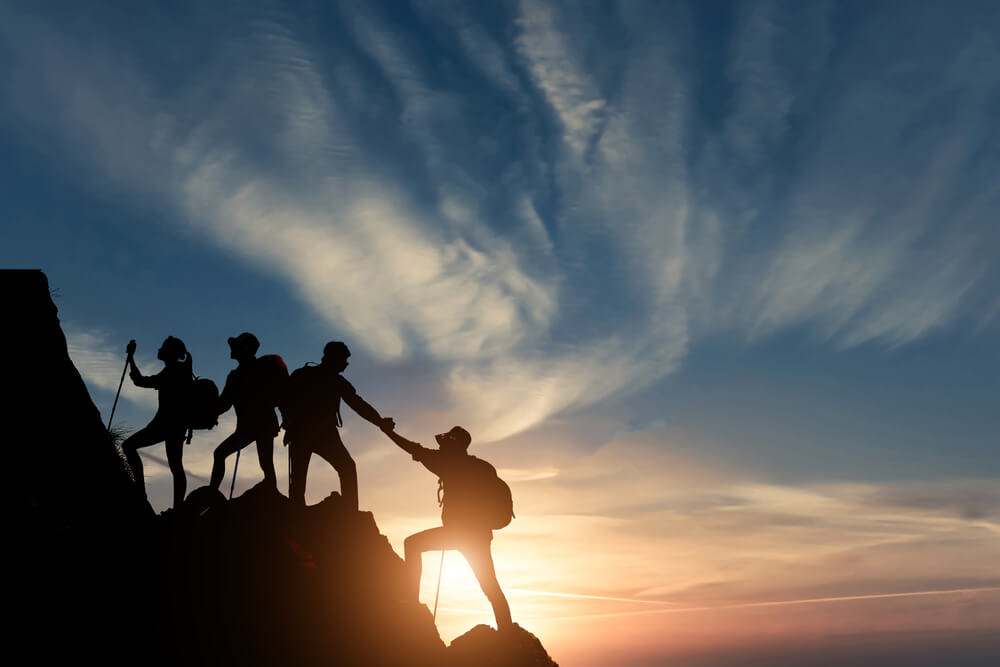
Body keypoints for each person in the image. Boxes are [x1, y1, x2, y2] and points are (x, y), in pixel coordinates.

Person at [381, 425, 513, 631]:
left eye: (446, 444)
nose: (441, 448)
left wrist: (387, 431)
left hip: (457, 533)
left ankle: (410, 602)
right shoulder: (482, 467)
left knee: (412, 544)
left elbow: (413, 449)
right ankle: (508, 632)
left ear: (453, 446)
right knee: (490, 587)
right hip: (479, 536)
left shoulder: (448, 463)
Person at [281, 341, 393, 511]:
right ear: (332, 358)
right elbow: (284, 399)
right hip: (309, 434)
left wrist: (379, 421)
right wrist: (288, 421)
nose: (346, 365)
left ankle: (348, 513)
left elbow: (358, 404)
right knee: (338, 469)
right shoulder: (312, 377)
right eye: (344, 361)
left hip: (314, 434)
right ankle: (348, 513)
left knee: (342, 468)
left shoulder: (325, 379)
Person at [120, 336, 193, 509]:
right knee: (176, 466)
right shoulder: (181, 370)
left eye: (163, 347)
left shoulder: (171, 372)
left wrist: (131, 358)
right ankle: (178, 507)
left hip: (164, 425)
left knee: (129, 446)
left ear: (170, 352)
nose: (159, 350)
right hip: (177, 426)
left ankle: (140, 491)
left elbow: (140, 381)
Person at [209, 332, 280, 493]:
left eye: (236, 347)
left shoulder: (256, 371)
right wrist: (209, 412)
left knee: (265, 462)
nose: (232, 349)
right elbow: (224, 404)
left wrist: (210, 412)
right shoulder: (235, 376)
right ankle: (211, 493)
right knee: (221, 454)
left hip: (261, 425)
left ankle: (272, 494)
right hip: (250, 427)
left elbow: (223, 404)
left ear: (246, 349)